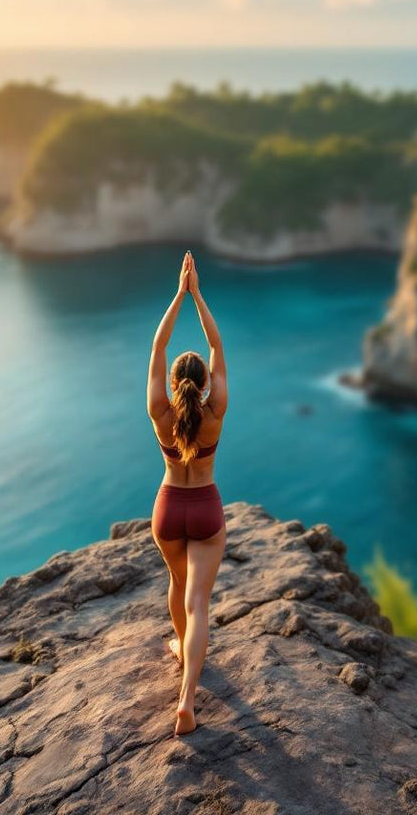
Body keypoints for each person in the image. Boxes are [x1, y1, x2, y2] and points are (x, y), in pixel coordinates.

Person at [147, 250, 228, 737]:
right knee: (199, 600)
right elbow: (217, 344)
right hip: (205, 508)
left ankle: (182, 649)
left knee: (177, 585)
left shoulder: (161, 411)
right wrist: (198, 294)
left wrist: (177, 295)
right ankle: (186, 701)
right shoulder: (215, 410)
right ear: (201, 385)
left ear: (176, 384)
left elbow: (158, 349)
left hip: (168, 507)